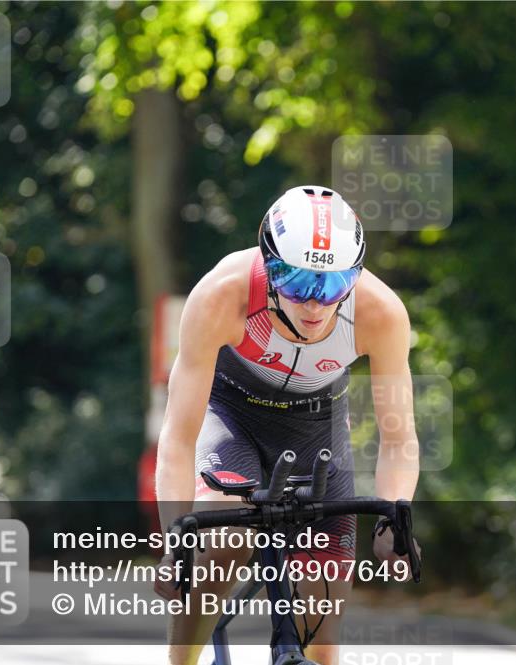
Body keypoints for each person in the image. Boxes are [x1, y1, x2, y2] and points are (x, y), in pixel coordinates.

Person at [153, 186, 421, 665]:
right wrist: (175, 543)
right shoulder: (221, 295)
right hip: (231, 418)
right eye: (296, 282)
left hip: (317, 431)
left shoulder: (380, 312)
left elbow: (399, 438)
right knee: (222, 547)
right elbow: (177, 437)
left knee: (322, 630)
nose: (314, 305)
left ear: (356, 275)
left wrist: (394, 519)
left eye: (332, 286)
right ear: (269, 266)